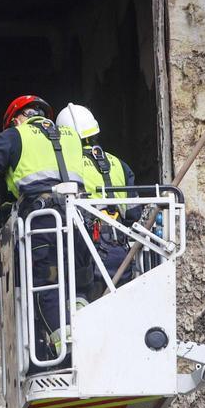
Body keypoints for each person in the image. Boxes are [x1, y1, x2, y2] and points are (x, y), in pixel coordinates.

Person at [0, 95, 90, 361]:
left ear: (17, 118)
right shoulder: (71, 137)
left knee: (45, 287)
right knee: (75, 288)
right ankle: (88, 339)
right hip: (77, 221)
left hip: (42, 224)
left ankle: (66, 353)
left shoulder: (15, 136)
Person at [55, 103, 140, 297]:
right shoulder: (119, 164)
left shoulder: (67, 165)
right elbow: (134, 213)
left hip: (86, 254)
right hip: (120, 252)